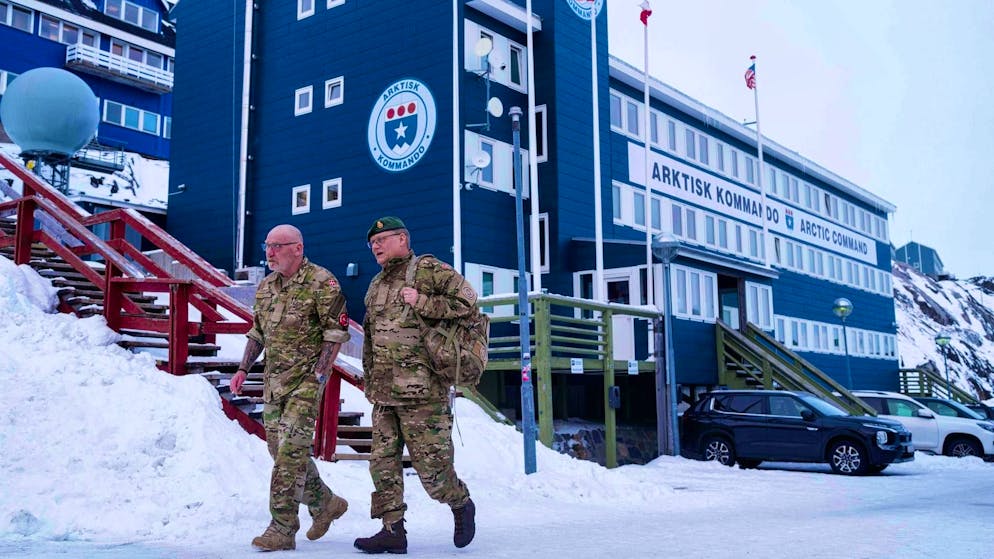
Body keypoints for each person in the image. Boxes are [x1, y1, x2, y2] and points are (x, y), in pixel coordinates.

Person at [354, 216, 477, 554]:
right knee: (383, 465)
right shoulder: (376, 285)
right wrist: (369, 378)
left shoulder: (427, 269)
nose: (376, 246)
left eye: (383, 239)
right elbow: (370, 338)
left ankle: (460, 502)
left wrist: (424, 302)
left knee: (433, 472)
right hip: (383, 393)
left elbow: (468, 301)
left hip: (423, 393)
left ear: (403, 239)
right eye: (372, 243)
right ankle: (392, 530)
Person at [231, 224, 351, 551]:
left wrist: (319, 377)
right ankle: (325, 503)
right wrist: (243, 368)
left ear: (297, 248)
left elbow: (335, 334)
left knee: (289, 453)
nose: (269, 253)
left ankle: (282, 528)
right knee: (278, 450)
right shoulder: (267, 286)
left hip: (305, 384)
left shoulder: (322, 282)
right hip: (274, 383)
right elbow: (258, 332)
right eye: (267, 246)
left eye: (277, 246)